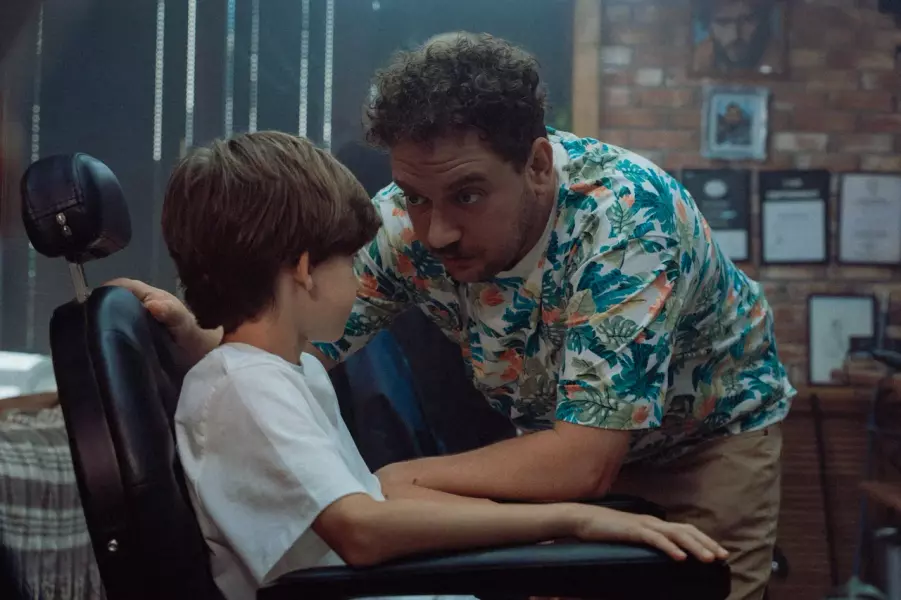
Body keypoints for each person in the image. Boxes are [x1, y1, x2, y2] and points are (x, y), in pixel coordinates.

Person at [116, 33, 791, 600]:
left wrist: (396, 482)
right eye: (414, 195)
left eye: (467, 195)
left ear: (535, 164)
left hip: (699, 440)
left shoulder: (625, 225)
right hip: (550, 450)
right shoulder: (402, 226)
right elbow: (284, 339)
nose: (434, 231)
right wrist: (202, 336)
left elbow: (583, 463)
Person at [159, 131, 726, 600]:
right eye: (351, 261)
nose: (362, 278)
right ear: (306, 271)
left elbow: (372, 499)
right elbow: (361, 529)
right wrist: (572, 520)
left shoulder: (291, 372)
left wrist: (542, 533)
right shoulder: (250, 385)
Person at [692, 0, 783, 74]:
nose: (735, 35)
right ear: (709, 26)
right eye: (723, 22)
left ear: (762, 22)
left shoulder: (781, 59)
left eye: (746, 20)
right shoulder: (696, 62)